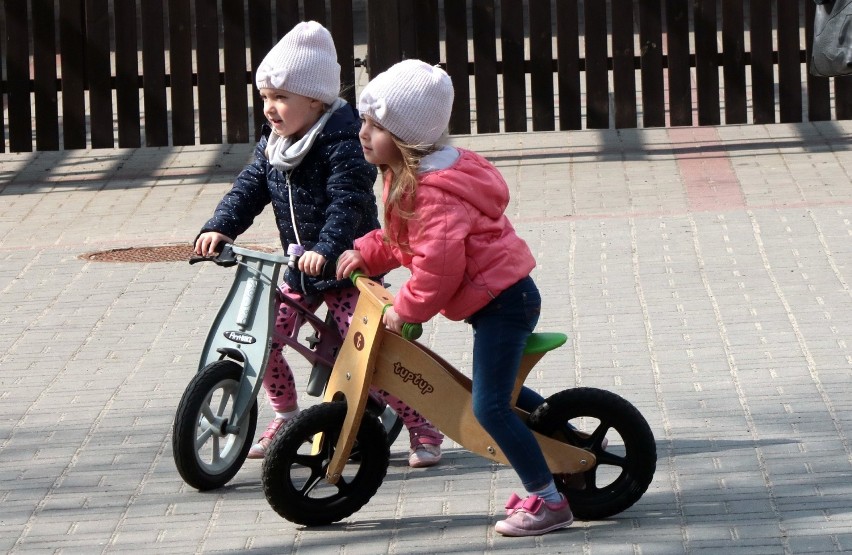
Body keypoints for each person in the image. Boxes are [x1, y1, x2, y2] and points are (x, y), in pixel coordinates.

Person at [336, 59, 572, 537]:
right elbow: (406, 242)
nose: (363, 132)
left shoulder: (434, 194)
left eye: (376, 125)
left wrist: (405, 310)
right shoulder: (406, 175)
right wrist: (366, 251)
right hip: (495, 299)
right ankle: (559, 436)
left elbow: (439, 267)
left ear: (407, 138)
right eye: (363, 120)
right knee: (493, 390)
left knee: (487, 407)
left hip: (505, 303)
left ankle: (549, 500)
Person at [193, 23, 443, 468]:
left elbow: (348, 202)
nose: (270, 108)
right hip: (299, 269)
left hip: (346, 267)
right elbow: (249, 186)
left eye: (281, 98)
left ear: (316, 100)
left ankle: (423, 427)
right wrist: (221, 228)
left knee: (364, 349)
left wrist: (327, 249)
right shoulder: (275, 144)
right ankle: (286, 418)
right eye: (266, 98)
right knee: (265, 337)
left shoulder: (344, 143)